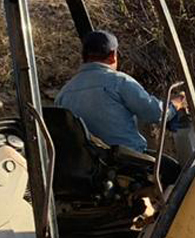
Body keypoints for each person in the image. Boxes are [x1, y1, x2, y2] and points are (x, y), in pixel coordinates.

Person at [56, 30, 186, 152]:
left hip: (87, 163)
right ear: (113, 55)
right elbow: (155, 114)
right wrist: (176, 103)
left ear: (84, 56)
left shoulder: (63, 94)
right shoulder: (119, 82)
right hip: (124, 161)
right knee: (171, 166)